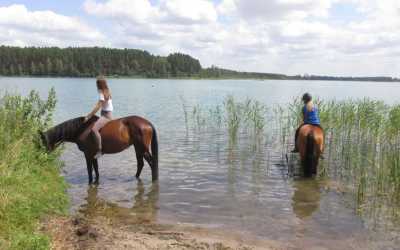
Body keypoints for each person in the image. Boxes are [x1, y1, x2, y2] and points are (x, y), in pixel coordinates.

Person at [84, 76, 113, 158]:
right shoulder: (107, 91)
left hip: (106, 116)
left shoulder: (102, 93)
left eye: (97, 84)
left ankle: (100, 150)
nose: (96, 85)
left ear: (99, 85)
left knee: (94, 130)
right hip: (108, 113)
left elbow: (98, 107)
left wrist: (88, 116)